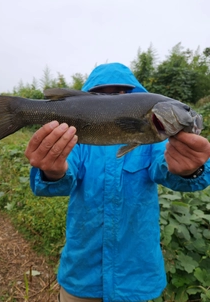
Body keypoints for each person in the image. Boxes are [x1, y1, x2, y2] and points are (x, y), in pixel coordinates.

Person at [25, 63, 210, 302]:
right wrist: (51, 171)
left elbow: (169, 169)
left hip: (137, 279)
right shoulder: (76, 139)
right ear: (90, 96)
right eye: (103, 93)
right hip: (81, 275)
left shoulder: (155, 139)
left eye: (123, 92)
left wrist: (191, 170)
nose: (114, 98)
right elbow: (60, 179)